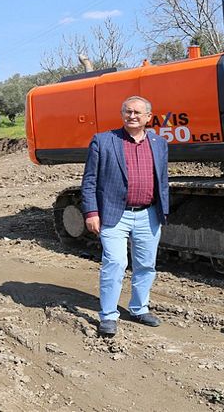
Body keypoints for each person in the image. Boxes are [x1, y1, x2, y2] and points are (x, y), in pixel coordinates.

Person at [80, 95, 170, 337]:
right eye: (127, 111)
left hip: (148, 214)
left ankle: (139, 309)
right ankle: (108, 315)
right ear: (122, 114)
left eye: (137, 113)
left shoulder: (159, 143)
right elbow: (89, 181)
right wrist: (91, 212)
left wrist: (164, 210)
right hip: (114, 214)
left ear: (148, 117)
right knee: (116, 263)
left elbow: (162, 180)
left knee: (146, 265)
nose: (132, 116)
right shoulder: (103, 141)